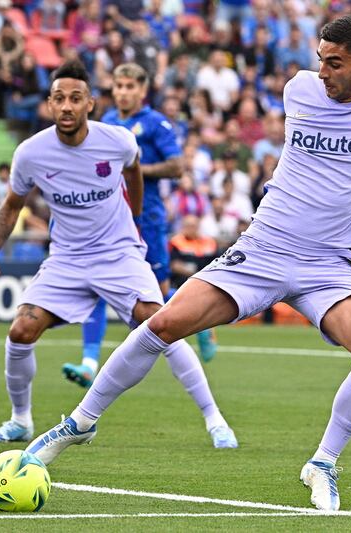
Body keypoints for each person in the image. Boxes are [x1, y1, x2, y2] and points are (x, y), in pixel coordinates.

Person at [26, 15, 351, 512]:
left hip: (329, 266)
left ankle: (323, 462)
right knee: (162, 324)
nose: (323, 72)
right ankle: (80, 422)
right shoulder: (299, 89)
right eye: (321, 59)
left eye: (336, 63)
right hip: (264, 249)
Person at [0, 60, 237, 449]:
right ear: (48, 105)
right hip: (66, 258)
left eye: (75, 98)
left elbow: (134, 172)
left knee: (160, 323)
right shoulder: (31, 153)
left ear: (90, 104)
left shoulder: (117, 140)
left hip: (118, 253)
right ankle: (19, 420)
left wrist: (131, 217)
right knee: (21, 330)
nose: (67, 106)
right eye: (59, 99)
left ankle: (215, 420)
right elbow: (12, 204)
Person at [62, 62, 218, 392]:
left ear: (142, 91)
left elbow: (177, 166)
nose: (123, 92)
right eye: (118, 86)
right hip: (111, 220)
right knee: (96, 285)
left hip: (147, 219)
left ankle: (203, 322)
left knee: (160, 299)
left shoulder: (156, 124)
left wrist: (133, 170)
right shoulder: (107, 123)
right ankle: (89, 363)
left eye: (130, 87)